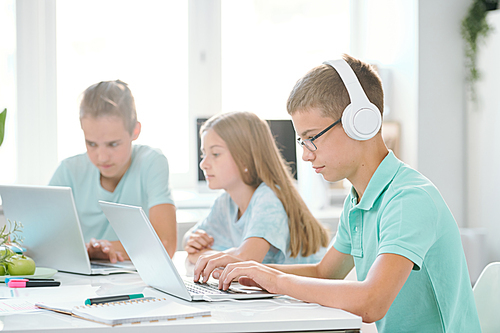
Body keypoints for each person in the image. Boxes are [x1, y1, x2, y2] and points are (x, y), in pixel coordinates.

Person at [193, 55, 481, 332]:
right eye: (301, 140)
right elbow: (324, 274)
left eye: (312, 138)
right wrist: (252, 271)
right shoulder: (358, 200)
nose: (305, 155)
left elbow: (372, 302)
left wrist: (276, 279)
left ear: (361, 123)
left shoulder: (408, 199)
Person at [49, 80, 177, 262]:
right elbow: (38, 240)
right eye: (91, 144)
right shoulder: (69, 170)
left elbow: (165, 243)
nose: (102, 157)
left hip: (132, 280)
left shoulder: (151, 162)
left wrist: (101, 250)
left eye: (113, 144)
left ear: (135, 130)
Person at [183, 111, 329, 266]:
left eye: (216, 154)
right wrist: (193, 240)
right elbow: (190, 239)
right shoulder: (225, 202)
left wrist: (202, 255)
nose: (203, 164)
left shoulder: (268, 198)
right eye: (203, 154)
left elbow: (246, 259)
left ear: (246, 158)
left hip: (303, 288)